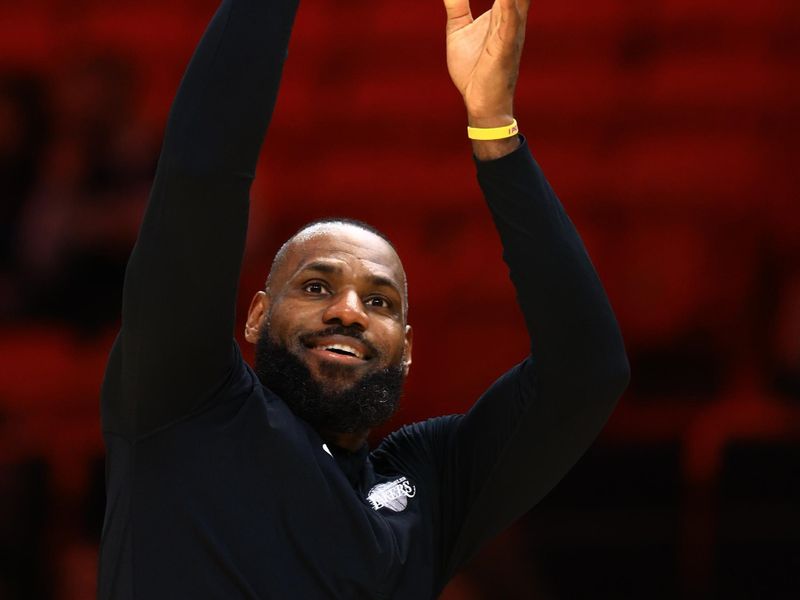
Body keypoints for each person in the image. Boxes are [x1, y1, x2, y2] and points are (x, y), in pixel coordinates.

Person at [98, 0, 630, 598]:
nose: (348, 310)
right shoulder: (184, 402)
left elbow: (587, 371)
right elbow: (203, 174)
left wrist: (494, 129)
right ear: (255, 316)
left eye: (380, 303)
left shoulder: (429, 484)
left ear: (405, 349)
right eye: (316, 286)